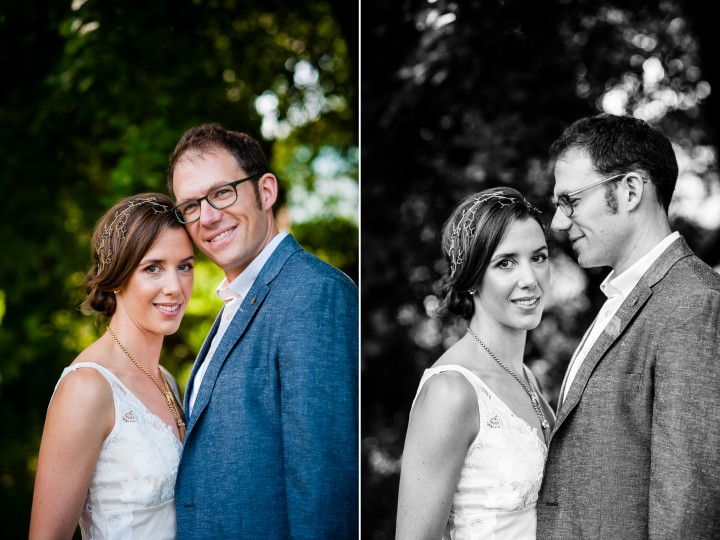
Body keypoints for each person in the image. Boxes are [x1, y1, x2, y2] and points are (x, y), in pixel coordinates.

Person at [166, 123, 358, 538]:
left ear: (265, 192)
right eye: (191, 206)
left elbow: (323, 484)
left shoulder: (314, 293)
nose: (209, 217)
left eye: (221, 192)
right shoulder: (238, 301)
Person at [537, 113, 720, 538]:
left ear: (631, 189)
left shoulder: (694, 304)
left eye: (571, 201)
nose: (559, 223)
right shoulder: (620, 300)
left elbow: (687, 506)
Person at [29, 193, 194, 539]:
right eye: (153, 268)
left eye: (185, 266)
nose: (175, 287)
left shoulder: (165, 380)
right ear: (116, 275)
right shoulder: (87, 388)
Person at [396, 187, 555, 540]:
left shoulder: (526, 377)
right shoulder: (451, 392)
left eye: (539, 257)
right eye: (506, 263)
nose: (530, 280)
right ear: (471, 278)